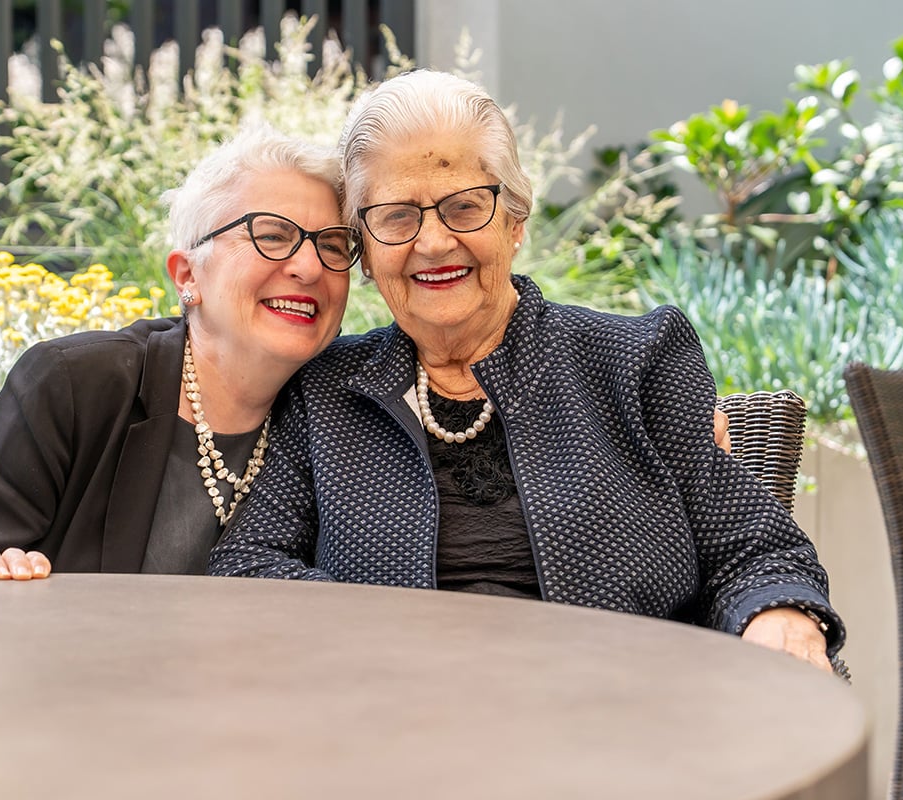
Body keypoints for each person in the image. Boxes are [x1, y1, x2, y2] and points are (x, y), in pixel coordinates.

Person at [208, 70, 844, 672]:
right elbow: (248, 563)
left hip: (620, 707)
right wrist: (383, 639)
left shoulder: (634, 361)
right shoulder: (328, 390)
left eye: (464, 207)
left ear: (515, 221)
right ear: (366, 253)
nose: (433, 242)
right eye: (397, 216)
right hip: (396, 710)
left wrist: (780, 617)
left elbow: (753, 549)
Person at [0, 126, 360, 578]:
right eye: (272, 236)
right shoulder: (76, 384)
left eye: (334, 246)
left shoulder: (348, 413)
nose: (309, 267)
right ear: (188, 275)